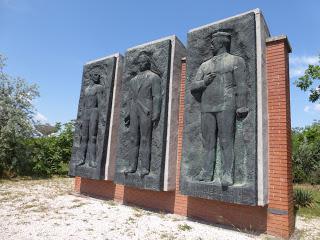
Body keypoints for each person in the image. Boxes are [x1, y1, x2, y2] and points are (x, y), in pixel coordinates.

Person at [190, 31, 248, 187]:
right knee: (207, 142)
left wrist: (242, 104)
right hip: (207, 106)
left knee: (226, 141)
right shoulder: (205, 65)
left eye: (213, 42)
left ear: (222, 42)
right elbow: (193, 86)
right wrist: (204, 82)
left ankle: (227, 174)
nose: (210, 45)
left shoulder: (236, 60)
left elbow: (241, 85)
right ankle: (206, 172)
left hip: (226, 105)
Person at [123, 51, 162, 178]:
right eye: (139, 62)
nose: (141, 64)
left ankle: (144, 167)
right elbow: (129, 98)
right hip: (134, 110)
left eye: (143, 62)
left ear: (148, 63)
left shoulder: (154, 77)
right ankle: (131, 166)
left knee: (145, 139)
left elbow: (157, 96)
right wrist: (127, 113)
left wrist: (156, 112)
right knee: (133, 138)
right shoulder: (133, 80)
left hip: (146, 110)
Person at [77, 66, 104, 168]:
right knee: (84, 137)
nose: (98, 76)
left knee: (92, 137)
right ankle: (81, 159)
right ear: (91, 76)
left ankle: (92, 160)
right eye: (96, 75)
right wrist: (80, 120)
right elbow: (83, 105)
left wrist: (101, 118)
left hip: (94, 112)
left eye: (99, 75)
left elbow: (101, 104)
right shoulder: (86, 89)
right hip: (86, 113)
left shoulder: (99, 88)